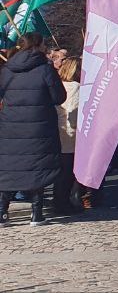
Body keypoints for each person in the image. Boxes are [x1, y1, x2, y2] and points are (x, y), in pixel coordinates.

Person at [0, 33, 68, 226]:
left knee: (9, 167)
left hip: (10, 126)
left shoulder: (7, 69)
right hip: (39, 126)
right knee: (38, 167)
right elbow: (58, 97)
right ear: (38, 46)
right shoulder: (45, 69)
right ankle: (36, 214)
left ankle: (2, 212)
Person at [52, 56, 81, 215]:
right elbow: (73, 113)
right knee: (68, 172)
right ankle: (63, 203)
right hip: (70, 134)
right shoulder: (76, 87)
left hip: (57, 131)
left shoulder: (59, 85)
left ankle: (59, 200)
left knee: (61, 171)